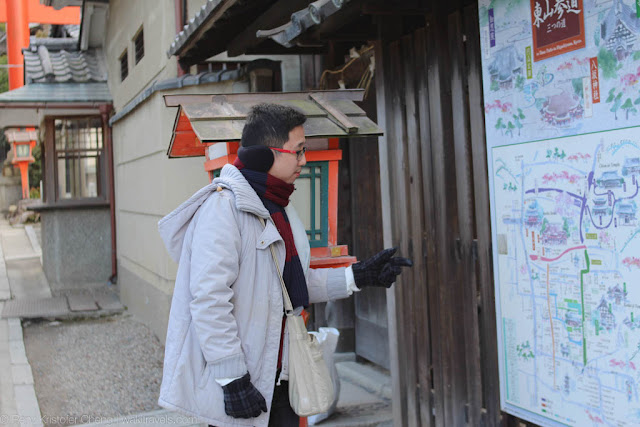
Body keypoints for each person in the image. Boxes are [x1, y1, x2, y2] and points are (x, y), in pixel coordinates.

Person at [157, 103, 412, 427]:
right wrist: (231, 376)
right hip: (242, 379)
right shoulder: (223, 211)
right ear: (265, 156)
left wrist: (356, 276)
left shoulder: (279, 209)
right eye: (299, 151)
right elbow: (209, 301)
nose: (304, 161)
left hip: (280, 374)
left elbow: (291, 288)